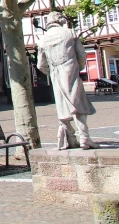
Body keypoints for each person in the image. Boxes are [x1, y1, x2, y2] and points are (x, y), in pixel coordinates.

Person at [36, 11, 98, 150]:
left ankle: (70, 139)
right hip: (70, 72)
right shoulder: (70, 33)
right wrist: (77, 67)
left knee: (62, 107)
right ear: (59, 20)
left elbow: (40, 65)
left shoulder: (43, 39)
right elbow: (81, 55)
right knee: (78, 105)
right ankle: (84, 138)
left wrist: (51, 71)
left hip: (55, 74)